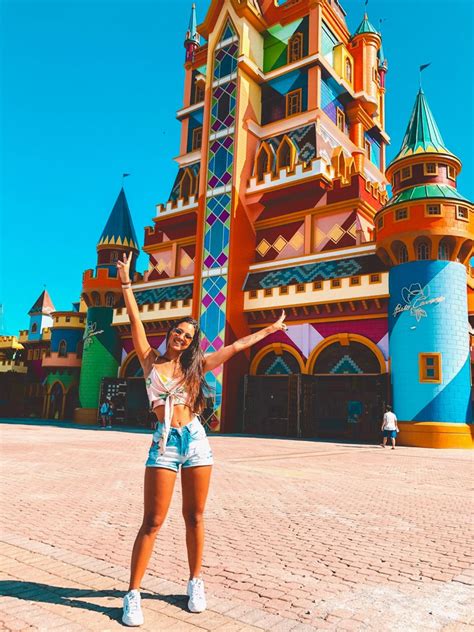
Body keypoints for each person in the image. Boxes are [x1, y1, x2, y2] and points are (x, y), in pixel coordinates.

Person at [117, 251, 288, 627]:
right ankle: (133, 594)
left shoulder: (198, 366)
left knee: (194, 516)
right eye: (178, 332)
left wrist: (271, 331)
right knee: (153, 520)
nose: (181, 337)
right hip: (163, 441)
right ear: (170, 334)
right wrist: (126, 281)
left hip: (195, 441)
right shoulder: (149, 360)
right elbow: (134, 317)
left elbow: (236, 348)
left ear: (193, 342)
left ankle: (195, 582)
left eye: (188, 335)